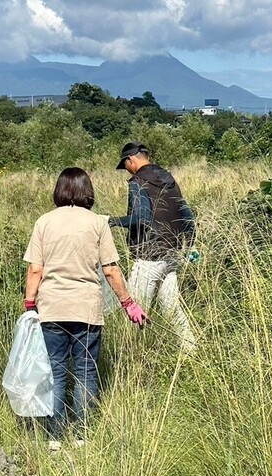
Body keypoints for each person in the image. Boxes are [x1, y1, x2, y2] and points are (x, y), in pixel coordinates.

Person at [23, 168, 147, 440]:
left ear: (59, 190)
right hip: (87, 309)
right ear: (87, 190)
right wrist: (128, 303)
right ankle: (82, 436)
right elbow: (111, 270)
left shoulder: (43, 222)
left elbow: (35, 269)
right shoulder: (97, 223)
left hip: (52, 309)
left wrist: (30, 303)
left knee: (55, 373)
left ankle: (54, 437)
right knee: (85, 373)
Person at [106, 142, 197, 352]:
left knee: (134, 308)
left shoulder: (137, 182)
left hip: (148, 256)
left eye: (125, 165)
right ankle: (191, 351)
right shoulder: (169, 179)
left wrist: (111, 221)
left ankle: (135, 358)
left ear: (131, 160)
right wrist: (190, 244)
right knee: (172, 308)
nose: (126, 170)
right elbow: (186, 214)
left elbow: (141, 218)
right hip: (172, 252)